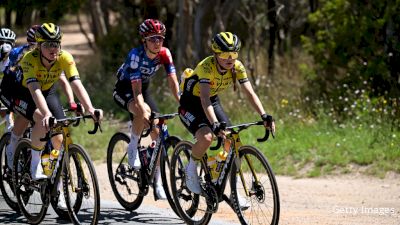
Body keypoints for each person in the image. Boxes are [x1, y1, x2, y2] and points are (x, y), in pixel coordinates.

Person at [0, 23, 103, 185]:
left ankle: (58, 189)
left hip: (46, 90)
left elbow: (76, 83)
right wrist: (47, 114)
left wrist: (90, 108)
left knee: (59, 137)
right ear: (39, 46)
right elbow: (34, 91)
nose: (53, 48)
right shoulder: (29, 59)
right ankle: (27, 160)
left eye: (56, 44)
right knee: (40, 118)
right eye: (48, 44)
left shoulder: (64, 57)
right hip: (17, 90)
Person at [178, 32, 275, 195]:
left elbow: (250, 94)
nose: (230, 58)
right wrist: (214, 124)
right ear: (215, 54)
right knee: (207, 137)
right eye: (224, 54)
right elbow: (204, 99)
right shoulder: (206, 67)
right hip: (191, 104)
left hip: (212, 101)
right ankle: (191, 170)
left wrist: (264, 115)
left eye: (234, 54)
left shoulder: (237, 66)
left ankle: (231, 188)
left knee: (232, 138)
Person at [113, 19, 180, 200]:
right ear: (144, 40)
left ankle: (157, 182)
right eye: (152, 39)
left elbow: (172, 81)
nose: (157, 42)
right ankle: (133, 147)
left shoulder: (165, 53)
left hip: (145, 87)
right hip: (126, 88)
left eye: (160, 38)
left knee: (158, 132)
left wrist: (181, 100)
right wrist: (143, 109)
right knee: (141, 112)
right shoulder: (135, 55)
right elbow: (136, 91)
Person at [3, 25, 76, 174]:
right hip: (15, 87)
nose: (33, 47)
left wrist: (72, 101)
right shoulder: (20, 54)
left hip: (38, 89)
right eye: (31, 44)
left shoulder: (52, 56)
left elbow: (63, 79)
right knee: (27, 115)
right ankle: (13, 145)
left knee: (49, 121)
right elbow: (10, 76)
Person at [0, 28, 16, 132]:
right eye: (1, 42)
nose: (4, 45)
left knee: (11, 126)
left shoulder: (14, 60)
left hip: (7, 95)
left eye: (8, 43)